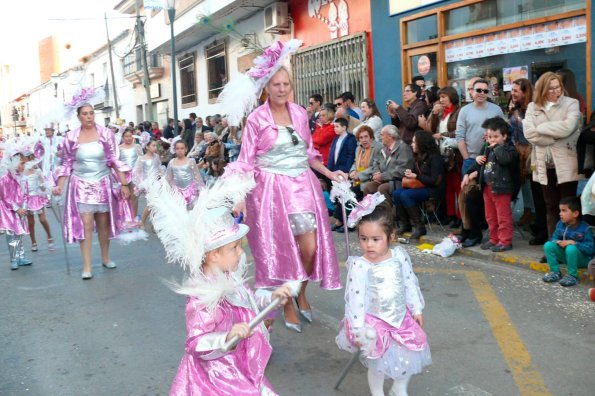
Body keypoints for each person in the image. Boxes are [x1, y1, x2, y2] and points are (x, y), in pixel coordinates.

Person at [220, 39, 344, 333]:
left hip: (303, 188)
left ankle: (299, 289)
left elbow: (309, 153)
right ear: (266, 86)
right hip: (270, 193)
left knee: (310, 248)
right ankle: (287, 300)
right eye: (276, 84)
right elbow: (246, 160)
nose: (282, 89)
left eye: (286, 84)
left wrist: (331, 173)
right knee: (282, 249)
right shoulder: (256, 119)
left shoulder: (300, 113)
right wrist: (238, 196)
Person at [144, 172, 296, 395]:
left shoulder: (229, 277)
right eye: (234, 248)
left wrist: (272, 298)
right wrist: (227, 337)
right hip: (216, 376)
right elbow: (195, 343)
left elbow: (248, 304)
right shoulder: (203, 295)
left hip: (239, 363)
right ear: (213, 255)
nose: (240, 252)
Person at [336, 194, 431, 396]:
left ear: (391, 237)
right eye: (363, 239)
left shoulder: (398, 257)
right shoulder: (360, 265)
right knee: (377, 364)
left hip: (400, 318)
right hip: (374, 323)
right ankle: (377, 393)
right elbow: (355, 299)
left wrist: (416, 308)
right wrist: (357, 329)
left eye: (376, 239)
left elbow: (409, 283)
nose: (369, 245)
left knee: (409, 354)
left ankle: (399, 387)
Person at [52, 90, 131, 280]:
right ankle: (87, 266)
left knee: (103, 223)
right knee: (86, 224)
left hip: (103, 182)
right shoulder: (70, 137)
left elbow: (114, 159)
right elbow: (67, 164)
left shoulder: (106, 134)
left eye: (91, 113)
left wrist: (123, 184)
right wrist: (60, 185)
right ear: (78, 117)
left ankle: (105, 257)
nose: (89, 116)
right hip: (81, 185)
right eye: (85, 114)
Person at [523, 72, 582, 239]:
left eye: (558, 87)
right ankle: (552, 245)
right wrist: (554, 135)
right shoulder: (532, 107)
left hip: (566, 162)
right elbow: (529, 134)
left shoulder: (571, 103)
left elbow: (568, 128)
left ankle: (570, 244)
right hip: (543, 162)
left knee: (568, 206)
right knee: (550, 205)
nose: (555, 91)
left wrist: (540, 128)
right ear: (542, 89)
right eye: (550, 89)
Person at [463, 117, 519, 252]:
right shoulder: (487, 148)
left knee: (503, 217)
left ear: (504, 136)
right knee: (490, 216)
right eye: (489, 137)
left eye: (496, 136)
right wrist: (468, 172)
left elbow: (505, 160)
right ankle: (494, 239)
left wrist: (497, 148)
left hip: (502, 189)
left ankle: (505, 241)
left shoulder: (509, 149)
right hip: (487, 187)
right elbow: (478, 163)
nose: (492, 140)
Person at [418, 86, 462, 229]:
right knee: (448, 188)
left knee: (457, 187)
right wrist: (434, 114)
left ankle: (461, 217)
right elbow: (431, 130)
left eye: (444, 97)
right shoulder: (442, 113)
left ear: (451, 97)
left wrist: (443, 135)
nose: (441, 100)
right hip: (443, 154)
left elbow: (459, 132)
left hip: (455, 155)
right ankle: (451, 215)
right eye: (440, 97)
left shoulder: (459, 112)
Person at [509, 79, 543, 244]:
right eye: (512, 90)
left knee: (534, 185)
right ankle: (528, 212)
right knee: (523, 184)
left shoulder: (532, 108)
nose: (512, 94)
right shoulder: (515, 108)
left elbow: (529, 131)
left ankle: (536, 217)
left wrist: (517, 117)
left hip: (531, 153)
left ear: (525, 92)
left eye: (516, 91)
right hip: (518, 152)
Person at [393, 130, 445, 239]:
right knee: (397, 193)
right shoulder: (418, 156)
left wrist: (416, 176)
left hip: (433, 189)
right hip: (420, 186)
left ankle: (420, 226)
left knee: (406, 195)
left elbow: (435, 181)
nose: (412, 144)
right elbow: (417, 174)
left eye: (414, 142)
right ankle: (406, 225)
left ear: (422, 143)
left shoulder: (435, 158)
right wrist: (409, 174)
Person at [456, 79, 504, 176]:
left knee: (489, 190)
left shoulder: (496, 110)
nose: (482, 93)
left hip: (492, 158)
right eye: (479, 90)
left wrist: (493, 137)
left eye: (485, 91)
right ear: (472, 91)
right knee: (469, 190)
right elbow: (459, 136)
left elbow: (504, 133)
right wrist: (466, 158)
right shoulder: (464, 111)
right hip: (471, 160)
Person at [542, 197, 594, 287]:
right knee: (548, 245)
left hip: (582, 260)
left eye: (564, 211)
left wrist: (574, 243)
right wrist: (558, 242)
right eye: (560, 211)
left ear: (575, 213)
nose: (560, 214)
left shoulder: (585, 228)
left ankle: (573, 276)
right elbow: (553, 239)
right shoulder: (560, 224)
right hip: (567, 257)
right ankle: (555, 272)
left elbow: (591, 249)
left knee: (571, 248)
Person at [1, 139, 35, 269]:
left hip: (21, 210)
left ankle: (21, 256)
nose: (23, 166)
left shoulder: (23, 177)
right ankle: (13, 259)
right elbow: (5, 197)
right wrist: (17, 208)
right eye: (22, 163)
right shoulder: (5, 179)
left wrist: (24, 207)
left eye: (24, 163)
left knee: (19, 234)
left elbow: (26, 194)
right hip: (8, 211)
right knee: (11, 235)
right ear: (14, 162)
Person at [363, 125, 415, 206]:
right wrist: (376, 173)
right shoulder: (384, 149)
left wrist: (382, 176)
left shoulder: (403, 148)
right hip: (383, 180)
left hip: (397, 181)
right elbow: (375, 163)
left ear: (390, 136)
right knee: (367, 188)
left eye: (382, 135)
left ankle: (390, 216)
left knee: (382, 189)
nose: (380, 137)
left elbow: (402, 170)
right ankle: (373, 215)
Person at [327, 117, 357, 232]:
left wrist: (347, 171)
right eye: (334, 126)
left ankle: (347, 222)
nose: (335, 128)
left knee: (346, 195)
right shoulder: (336, 139)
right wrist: (329, 170)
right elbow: (332, 155)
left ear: (344, 127)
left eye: (337, 126)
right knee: (338, 196)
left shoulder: (350, 139)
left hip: (344, 171)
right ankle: (340, 221)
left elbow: (350, 155)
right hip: (335, 171)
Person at [22, 150, 54, 252]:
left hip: (37, 197)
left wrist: (43, 186)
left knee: (42, 220)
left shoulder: (37, 170)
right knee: (31, 222)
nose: (24, 160)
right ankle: (33, 242)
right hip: (28, 199)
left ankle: (49, 236)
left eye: (25, 158)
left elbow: (43, 183)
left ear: (30, 158)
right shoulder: (21, 171)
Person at [166, 139, 204, 209]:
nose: (179, 150)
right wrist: (172, 188)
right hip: (177, 191)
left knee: (192, 209)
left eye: (182, 148)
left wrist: (201, 189)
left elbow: (197, 176)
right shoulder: (172, 162)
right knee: (180, 210)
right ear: (174, 150)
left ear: (186, 149)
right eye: (177, 148)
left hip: (191, 190)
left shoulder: (191, 161)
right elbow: (169, 178)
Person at [133, 137, 162, 230]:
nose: (155, 147)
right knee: (151, 203)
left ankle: (154, 223)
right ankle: (142, 221)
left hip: (157, 182)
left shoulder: (156, 157)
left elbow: (159, 167)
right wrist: (142, 183)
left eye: (156, 145)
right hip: (148, 183)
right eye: (153, 145)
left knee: (156, 204)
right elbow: (137, 172)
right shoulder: (142, 159)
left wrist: (163, 174)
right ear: (147, 147)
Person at [349, 125, 383, 200]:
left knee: (351, 195)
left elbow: (374, 167)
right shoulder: (359, 148)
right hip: (357, 180)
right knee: (346, 194)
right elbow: (355, 162)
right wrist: (353, 171)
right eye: (361, 138)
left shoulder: (378, 147)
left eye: (366, 136)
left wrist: (359, 175)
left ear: (371, 137)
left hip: (369, 179)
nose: (364, 140)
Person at [119, 128, 143, 219]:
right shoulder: (119, 148)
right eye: (126, 136)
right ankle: (125, 217)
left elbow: (141, 160)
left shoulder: (137, 147)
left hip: (135, 175)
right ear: (123, 137)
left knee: (134, 196)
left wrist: (141, 173)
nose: (128, 138)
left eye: (130, 136)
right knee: (124, 197)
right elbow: (117, 162)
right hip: (123, 175)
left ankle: (134, 217)